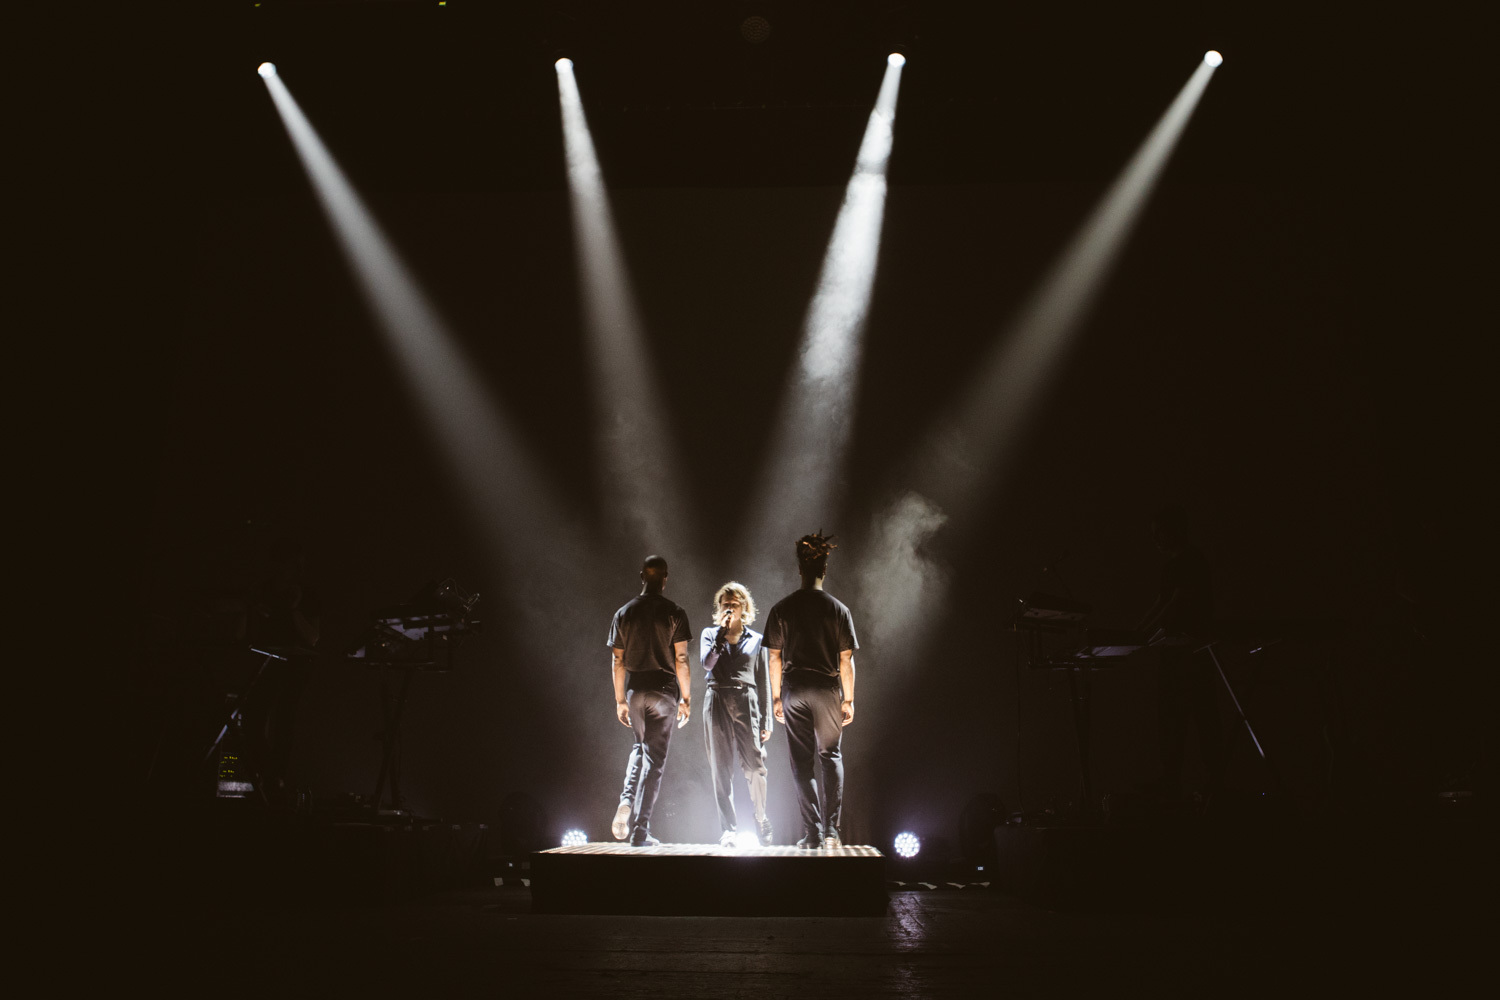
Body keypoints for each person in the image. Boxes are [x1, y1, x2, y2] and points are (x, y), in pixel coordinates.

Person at [764, 532, 859, 849]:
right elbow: (845, 660)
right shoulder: (838, 610)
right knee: (830, 756)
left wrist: (777, 696)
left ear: (800, 569)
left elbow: (773, 656)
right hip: (827, 688)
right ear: (824, 569)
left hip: (795, 688)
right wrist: (849, 698)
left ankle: (813, 832)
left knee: (801, 764)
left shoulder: (782, 609)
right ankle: (831, 832)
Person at [1137, 505, 1224, 801]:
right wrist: (1137, 632)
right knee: (1173, 719)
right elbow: (1162, 602)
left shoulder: (1191, 560)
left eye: (1159, 532)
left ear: (1174, 530)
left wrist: (1142, 634)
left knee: (1200, 717)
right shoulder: (1172, 566)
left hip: (1192, 653)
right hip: (1175, 653)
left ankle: (1213, 781)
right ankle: (1174, 779)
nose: (1156, 540)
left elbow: (1175, 604)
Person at [607, 555, 692, 847]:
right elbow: (681, 658)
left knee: (638, 747)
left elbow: (617, 660)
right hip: (664, 689)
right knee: (654, 761)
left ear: (641, 576)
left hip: (635, 689)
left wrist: (620, 699)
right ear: (665, 578)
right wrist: (687, 697)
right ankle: (641, 830)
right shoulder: (675, 612)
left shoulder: (624, 613)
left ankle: (626, 800)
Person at [701, 582, 773, 847]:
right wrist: (721, 635)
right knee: (720, 768)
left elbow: (763, 679)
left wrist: (767, 719)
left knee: (755, 766)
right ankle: (728, 829)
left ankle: (761, 815)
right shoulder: (710, 634)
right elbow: (707, 664)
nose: (729, 609)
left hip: (746, 699)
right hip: (716, 697)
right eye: (725, 605)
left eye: (734, 604)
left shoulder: (756, 640)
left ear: (744, 608)